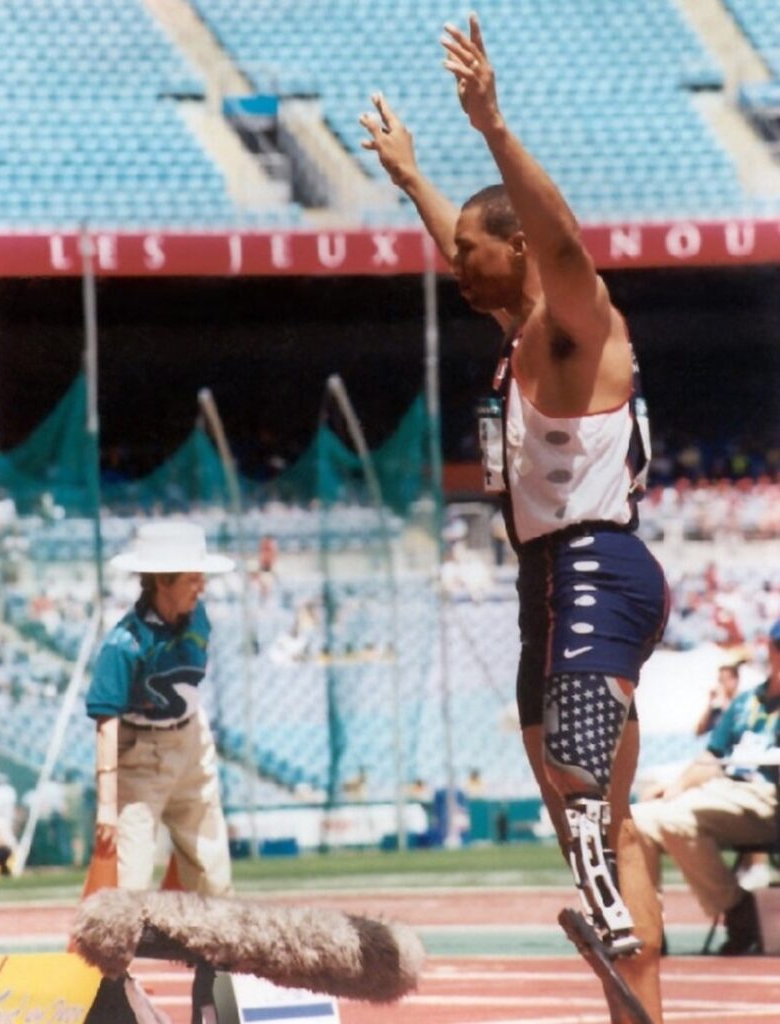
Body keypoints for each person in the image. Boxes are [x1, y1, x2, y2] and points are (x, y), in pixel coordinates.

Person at [361, 14, 669, 1021]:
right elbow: (483, 241)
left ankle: (628, 966)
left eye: (466, 247)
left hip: (596, 566)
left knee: (581, 789)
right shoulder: (518, 328)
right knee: (587, 817)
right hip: (548, 582)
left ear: (516, 249)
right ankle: (637, 1003)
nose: (452, 260)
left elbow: (560, 242)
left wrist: (490, 126)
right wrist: (411, 180)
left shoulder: (575, 322)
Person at [86, 521, 235, 894]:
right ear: (162, 581)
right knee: (128, 884)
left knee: (214, 879)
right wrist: (107, 806)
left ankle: (212, 951)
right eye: (192, 578)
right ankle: (102, 949)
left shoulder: (198, 617)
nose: (201, 586)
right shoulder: (124, 644)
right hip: (140, 756)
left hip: (191, 743)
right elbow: (106, 720)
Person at [632, 619, 780, 955]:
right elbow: (711, 755)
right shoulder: (745, 702)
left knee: (676, 819)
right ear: (771, 650)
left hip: (768, 798)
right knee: (637, 820)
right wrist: (677, 786)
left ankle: (738, 911)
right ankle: (649, 924)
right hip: (724, 790)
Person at [694, 663, 740, 737]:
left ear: (735, 680)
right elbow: (699, 731)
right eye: (720, 680)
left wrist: (725, 700)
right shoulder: (717, 708)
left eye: (726, 679)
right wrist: (709, 705)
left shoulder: (743, 702)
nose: (723, 683)